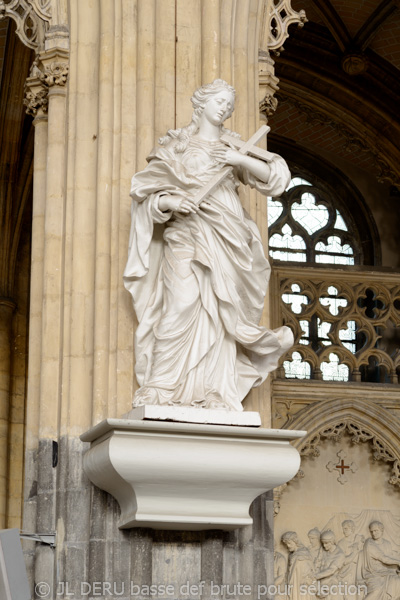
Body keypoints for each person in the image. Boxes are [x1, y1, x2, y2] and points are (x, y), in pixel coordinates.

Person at [123, 79, 293, 409]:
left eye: (229, 104)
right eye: (220, 101)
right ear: (201, 104)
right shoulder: (176, 146)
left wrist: (238, 160)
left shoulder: (235, 145)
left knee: (223, 309)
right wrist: (171, 202)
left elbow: (277, 178)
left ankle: (216, 388)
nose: (225, 108)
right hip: (187, 230)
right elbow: (145, 196)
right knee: (181, 304)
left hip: (228, 233)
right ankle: (162, 385)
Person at [357, 521, 400, 600]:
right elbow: (383, 558)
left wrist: (396, 568)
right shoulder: (369, 543)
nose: (373, 533)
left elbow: (390, 560)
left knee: (397, 582)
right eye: (371, 531)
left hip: (386, 572)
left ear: (381, 530)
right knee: (377, 590)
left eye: (376, 530)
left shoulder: (387, 544)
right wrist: (398, 562)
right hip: (372, 574)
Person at [281, 531, 316, 600]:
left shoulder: (304, 553)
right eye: (286, 544)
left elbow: (310, 570)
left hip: (303, 585)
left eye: (289, 543)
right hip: (293, 584)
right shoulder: (291, 555)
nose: (288, 546)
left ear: (295, 542)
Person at [337, 520, 364, 599]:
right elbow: (343, 561)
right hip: (347, 572)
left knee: (360, 595)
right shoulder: (341, 543)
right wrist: (355, 551)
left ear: (352, 529)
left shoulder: (359, 540)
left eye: (346, 529)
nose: (343, 531)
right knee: (349, 595)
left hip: (359, 572)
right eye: (343, 529)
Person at [314, 530, 345, 600]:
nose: (324, 545)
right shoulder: (323, 549)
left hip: (332, 585)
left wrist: (316, 576)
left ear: (332, 541)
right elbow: (317, 562)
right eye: (323, 543)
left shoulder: (340, 555)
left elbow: (331, 570)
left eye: (326, 543)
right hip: (320, 584)